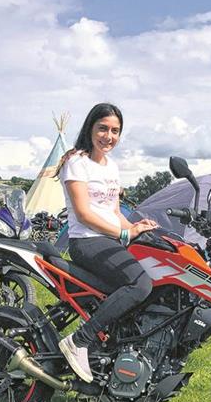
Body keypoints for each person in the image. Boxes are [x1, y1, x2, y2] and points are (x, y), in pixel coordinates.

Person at [55, 103, 158, 383]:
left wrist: (136, 228)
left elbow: (113, 212)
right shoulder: (77, 162)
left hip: (108, 239)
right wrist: (123, 235)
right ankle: (79, 340)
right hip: (86, 241)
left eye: (115, 131)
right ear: (90, 128)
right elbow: (85, 214)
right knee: (141, 284)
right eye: (103, 128)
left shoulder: (111, 166)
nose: (108, 136)